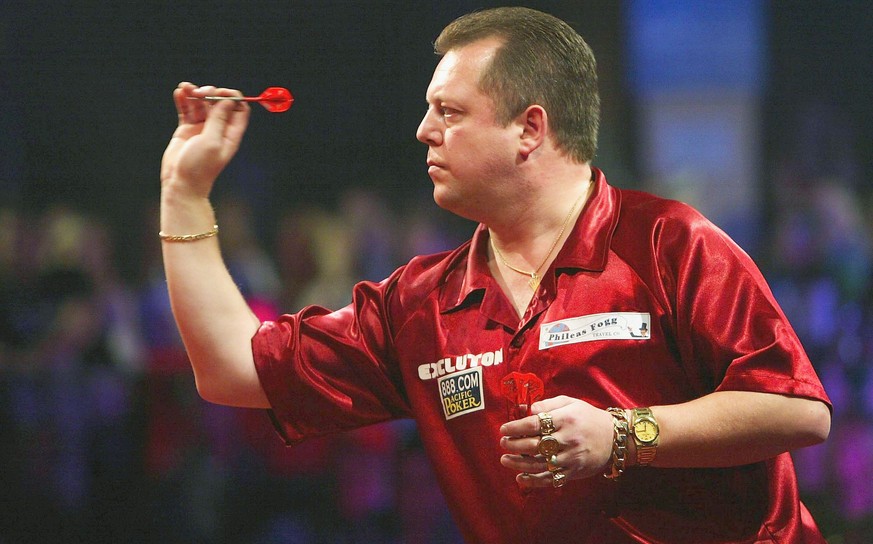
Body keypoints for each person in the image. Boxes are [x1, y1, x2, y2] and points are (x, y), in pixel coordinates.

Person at [159, 6, 832, 543]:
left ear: (528, 129)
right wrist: (183, 193)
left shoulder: (666, 241)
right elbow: (233, 372)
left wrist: (623, 435)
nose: (424, 131)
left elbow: (795, 410)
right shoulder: (421, 303)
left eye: (449, 112)